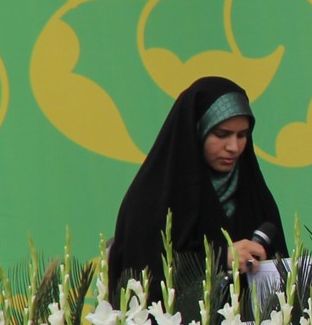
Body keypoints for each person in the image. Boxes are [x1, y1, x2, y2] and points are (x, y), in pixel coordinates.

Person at [108, 77, 287, 302]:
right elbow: (143, 279)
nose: (233, 147)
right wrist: (220, 258)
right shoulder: (151, 201)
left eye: (242, 135)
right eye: (221, 134)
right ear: (196, 131)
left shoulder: (254, 196)